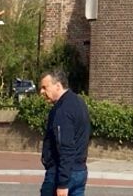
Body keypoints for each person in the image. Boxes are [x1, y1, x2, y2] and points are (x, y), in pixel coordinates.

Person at [39, 68, 91, 196]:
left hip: (62, 173)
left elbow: (65, 147)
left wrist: (63, 183)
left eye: (45, 87)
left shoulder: (62, 111)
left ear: (58, 86)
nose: (41, 92)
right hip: (79, 171)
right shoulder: (79, 103)